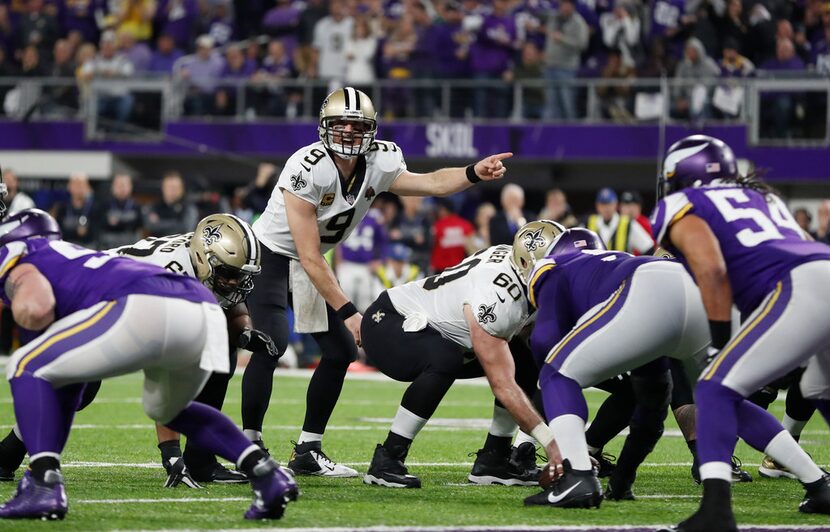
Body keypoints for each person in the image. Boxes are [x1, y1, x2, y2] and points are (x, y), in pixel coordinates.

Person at [242, 87, 512, 477]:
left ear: (371, 129)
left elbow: (433, 183)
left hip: (309, 261)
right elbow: (308, 255)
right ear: (324, 127)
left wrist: (473, 173)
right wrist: (350, 312)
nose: (350, 133)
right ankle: (250, 444)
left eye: (358, 126)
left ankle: (307, 450)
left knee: (339, 353)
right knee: (271, 344)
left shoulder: (382, 160)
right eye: (342, 125)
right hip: (272, 255)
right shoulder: (307, 165)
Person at [0, 208, 296, 521]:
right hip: (198, 308)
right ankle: (265, 472)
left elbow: (36, 308)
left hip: (137, 302)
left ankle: (42, 484)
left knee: (26, 364)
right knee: (169, 408)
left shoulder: (15, 253)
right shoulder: (65, 252)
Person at [651, 134, 830, 531]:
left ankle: (715, 508)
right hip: (823, 269)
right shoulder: (765, 197)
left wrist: (717, 342)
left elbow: (712, 269)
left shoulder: (680, 204)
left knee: (714, 386)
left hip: (797, 287)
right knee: (821, 389)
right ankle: (822, 489)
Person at [360, 221, 568, 488]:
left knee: (527, 360)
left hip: (442, 330)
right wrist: (552, 443)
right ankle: (387, 458)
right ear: (528, 265)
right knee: (445, 358)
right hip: (390, 322)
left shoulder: (519, 268)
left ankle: (495, 459)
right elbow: (503, 385)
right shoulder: (497, 298)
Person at [520, 228, 709, 506]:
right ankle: (625, 479)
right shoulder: (616, 259)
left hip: (640, 302)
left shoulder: (552, 269)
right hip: (694, 291)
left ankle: (578, 474)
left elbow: (544, 343)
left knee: (556, 374)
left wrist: (555, 444)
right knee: (670, 397)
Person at [584, 187, 654, 255]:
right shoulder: (588, 223)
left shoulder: (628, 224)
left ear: (616, 204)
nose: (606, 208)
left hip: (621, 266)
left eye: (609, 204)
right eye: (603, 205)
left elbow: (648, 248)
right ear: (597, 206)